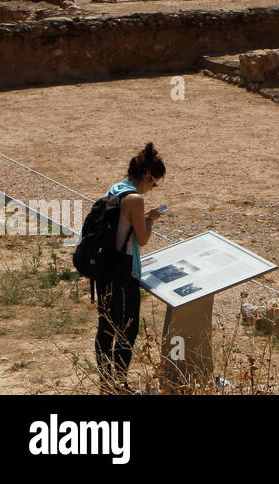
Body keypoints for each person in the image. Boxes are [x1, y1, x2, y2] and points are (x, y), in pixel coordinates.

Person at [95, 142, 166, 393]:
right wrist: (150, 221)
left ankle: (106, 384)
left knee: (106, 327)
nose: (151, 188)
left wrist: (143, 219)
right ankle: (120, 384)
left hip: (105, 269)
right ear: (147, 176)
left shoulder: (116, 189)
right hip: (125, 272)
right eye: (154, 183)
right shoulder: (135, 199)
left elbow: (124, 226)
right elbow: (142, 239)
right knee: (127, 330)